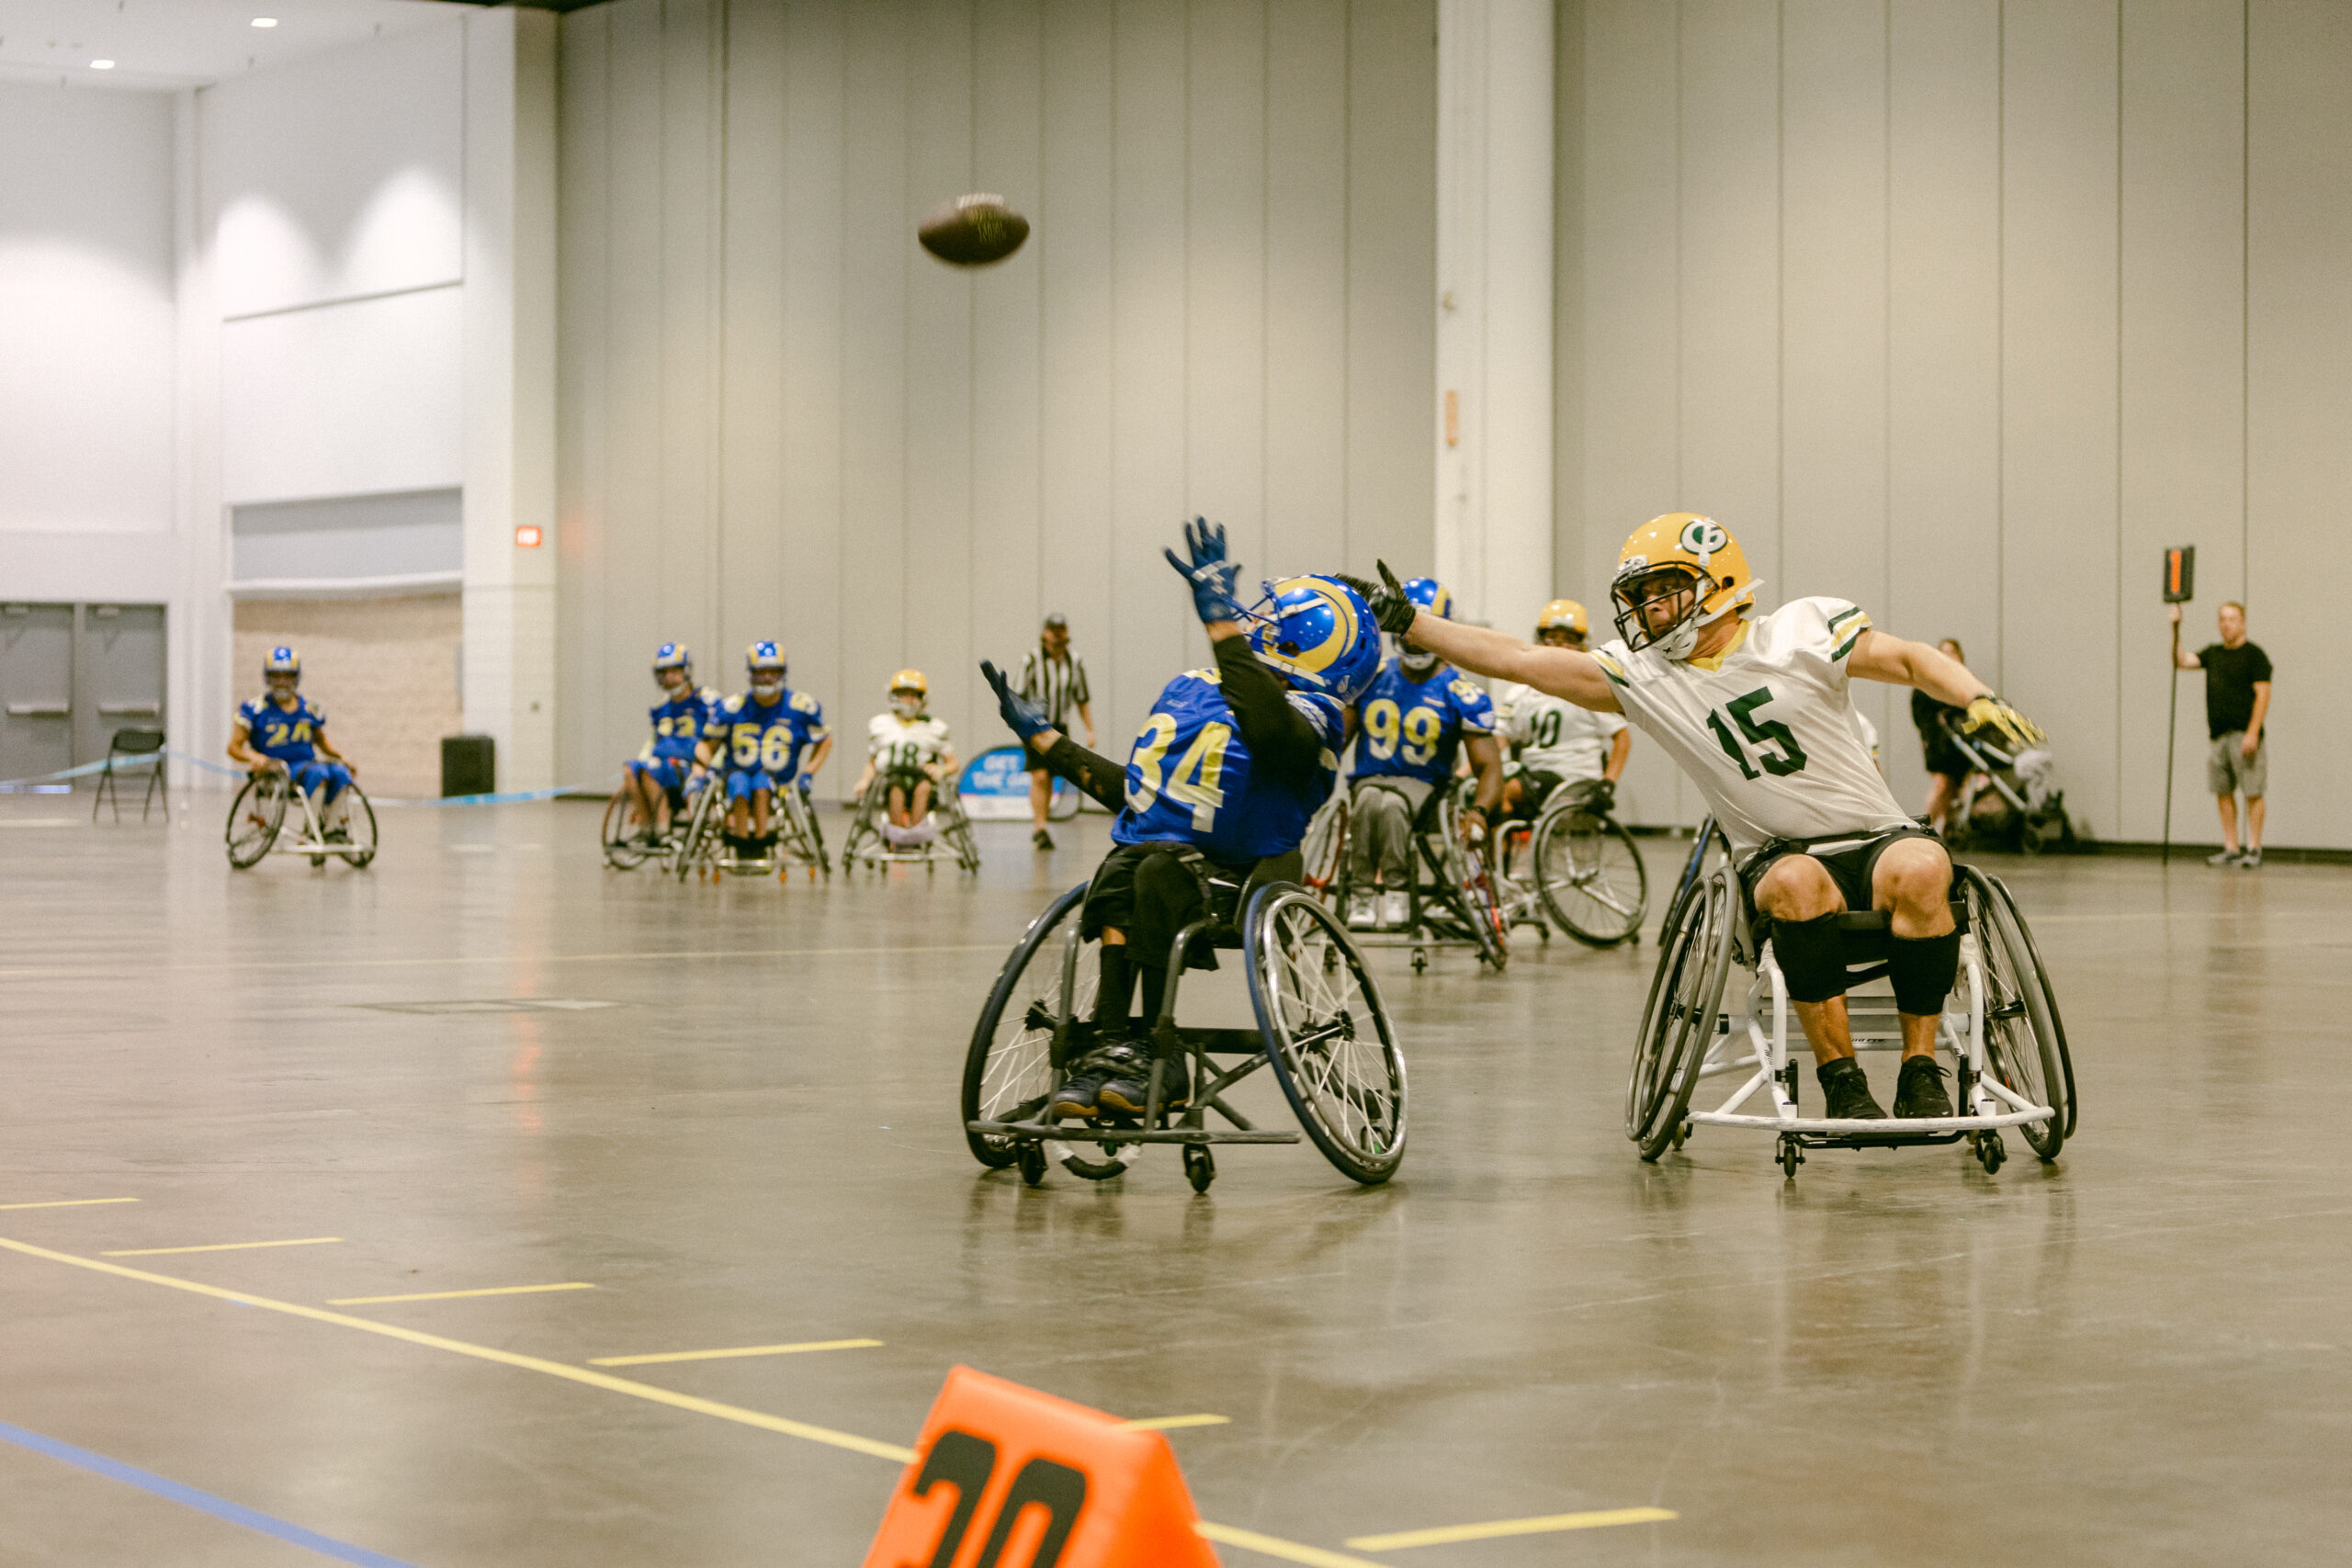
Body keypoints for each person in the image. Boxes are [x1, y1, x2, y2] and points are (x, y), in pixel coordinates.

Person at [1365, 513, 2041, 1123]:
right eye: (1638, 597)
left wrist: (1976, 697)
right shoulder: (1646, 675)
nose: (1647, 609)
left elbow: (1907, 657)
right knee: (1798, 884)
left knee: (1927, 864)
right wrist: (1412, 622)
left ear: (1716, 580)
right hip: (1778, 856)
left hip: (1876, 837)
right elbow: (1519, 659)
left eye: (1662, 590)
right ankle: (1841, 1080)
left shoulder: (1799, 630)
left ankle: (1922, 1069)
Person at [980, 519, 1376, 1122]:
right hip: (1159, 863)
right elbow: (1140, 796)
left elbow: (1270, 728)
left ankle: (1154, 1061)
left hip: (1241, 877)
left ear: (1310, 645)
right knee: (1124, 863)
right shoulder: (1193, 689)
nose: (1254, 621)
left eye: (1272, 622)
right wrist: (1048, 741)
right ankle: (1115, 1046)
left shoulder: (1318, 712)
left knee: (1154, 869)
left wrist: (1219, 623)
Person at [1343, 577, 1502, 931]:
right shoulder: (1369, 676)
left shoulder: (1460, 691)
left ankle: (1395, 889)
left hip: (1425, 788)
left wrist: (1479, 812)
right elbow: (1337, 740)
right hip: (1370, 780)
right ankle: (1363, 893)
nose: (1413, 643)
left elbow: (1489, 767)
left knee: (1389, 803)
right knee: (1371, 798)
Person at [1498, 599, 1632, 822]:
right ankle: (1497, 856)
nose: (1559, 646)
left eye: (1568, 640)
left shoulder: (1588, 688)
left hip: (1571, 777)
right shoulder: (1521, 692)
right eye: (1553, 638)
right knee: (1486, 789)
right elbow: (1501, 734)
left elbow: (1622, 737)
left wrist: (1608, 782)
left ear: (1582, 644)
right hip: (1531, 774)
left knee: (1506, 790)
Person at [698, 641, 831, 861]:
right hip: (736, 772)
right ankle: (741, 841)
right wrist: (705, 769)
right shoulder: (732, 706)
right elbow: (706, 744)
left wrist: (808, 772)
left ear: (783, 673)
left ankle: (760, 841)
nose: (768, 677)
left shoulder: (800, 706)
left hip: (776, 778)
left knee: (761, 783)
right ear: (750, 674)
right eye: (761, 672)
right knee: (740, 783)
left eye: (774, 671)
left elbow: (824, 740)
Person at [2171, 601, 2272, 868]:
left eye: (2232, 619)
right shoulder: (2213, 654)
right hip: (2218, 735)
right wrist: (2176, 628)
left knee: (2252, 790)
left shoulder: (2254, 656)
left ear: (2243, 622)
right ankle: (2231, 847)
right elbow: (2181, 661)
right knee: (2222, 791)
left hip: (2244, 734)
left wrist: (2253, 731)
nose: (2227, 624)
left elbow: (2263, 695)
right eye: (2222, 619)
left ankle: (2254, 847)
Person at [228, 647, 361, 840]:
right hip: (277, 769)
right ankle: (311, 831)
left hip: (306, 766)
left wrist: (342, 757)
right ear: (268, 677)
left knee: (341, 772)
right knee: (320, 773)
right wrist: (253, 756)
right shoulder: (254, 709)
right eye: (276, 676)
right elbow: (233, 747)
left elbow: (322, 742)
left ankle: (331, 829)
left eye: (287, 676)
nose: (282, 682)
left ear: (296, 677)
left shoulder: (309, 710)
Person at [623, 642, 719, 845]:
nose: (669, 677)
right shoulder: (661, 708)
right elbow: (651, 743)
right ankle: (645, 826)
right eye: (663, 672)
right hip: (663, 765)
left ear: (687, 671)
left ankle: (662, 829)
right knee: (631, 769)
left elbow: (718, 739)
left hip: (693, 767)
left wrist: (711, 766)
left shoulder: (706, 701)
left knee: (652, 768)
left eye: (675, 671)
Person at [1015, 614, 1095, 852]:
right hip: (1033, 724)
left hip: (1059, 726)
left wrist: (1090, 730)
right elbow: (1018, 693)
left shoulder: (1075, 662)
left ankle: (1042, 823)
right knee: (1039, 775)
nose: (1057, 634)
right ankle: (1039, 827)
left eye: (1061, 629)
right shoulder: (1031, 660)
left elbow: (1082, 699)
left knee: (1050, 776)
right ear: (1044, 633)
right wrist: (1021, 723)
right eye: (1053, 629)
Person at [855, 671, 955, 847]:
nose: (908, 700)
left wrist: (942, 770)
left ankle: (915, 834)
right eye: (903, 695)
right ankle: (897, 834)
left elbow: (953, 763)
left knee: (924, 787)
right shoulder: (881, 725)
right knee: (895, 788)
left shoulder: (933, 727)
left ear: (922, 698)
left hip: (921, 777)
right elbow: (872, 764)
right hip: (892, 778)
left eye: (913, 695)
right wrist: (864, 780)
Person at [1910, 639, 1971, 834]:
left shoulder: (1965, 681)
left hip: (1959, 745)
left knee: (1952, 790)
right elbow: (1921, 714)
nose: (1948, 655)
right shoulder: (1928, 680)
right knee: (1941, 785)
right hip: (1936, 742)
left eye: (1952, 652)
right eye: (1943, 651)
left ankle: (1944, 830)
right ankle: (1922, 828)